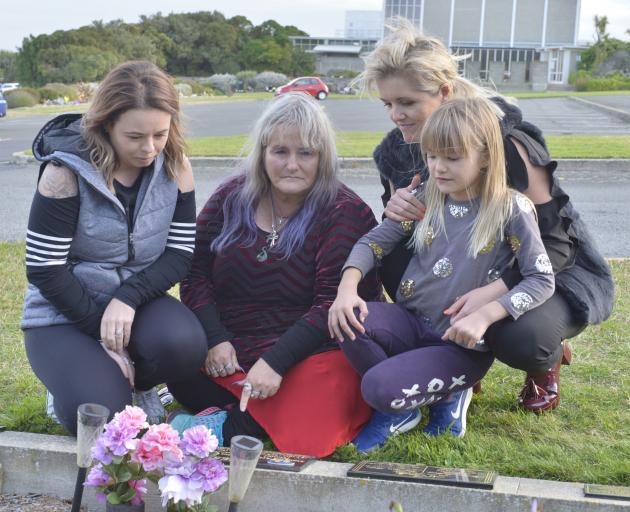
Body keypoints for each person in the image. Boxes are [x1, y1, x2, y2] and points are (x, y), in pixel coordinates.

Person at [358, 21, 613, 415]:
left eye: (407, 103)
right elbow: (397, 235)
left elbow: (558, 245)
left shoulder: (506, 141)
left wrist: (495, 292)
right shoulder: (397, 151)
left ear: (444, 92)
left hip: (546, 269)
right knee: (391, 257)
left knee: (521, 338)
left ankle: (545, 361)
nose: (396, 115)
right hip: (462, 262)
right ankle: (443, 354)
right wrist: (397, 212)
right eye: (387, 104)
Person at [329, 97, 556, 452]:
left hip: (460, 344)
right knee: (346, 321)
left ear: (483, 156)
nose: (438, 168)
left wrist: (485, 315)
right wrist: (347, 288)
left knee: (376, 387)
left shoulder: (511, 208)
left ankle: (449, 395)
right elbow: (373, 242)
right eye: (432, 156)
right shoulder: (426, 195)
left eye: (452, 158)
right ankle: (402, 410)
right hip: (412, 322)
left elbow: (541, 278)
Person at [167, 92, 380, 457]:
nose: (292, 164)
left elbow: (330, 302)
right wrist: (215, 339)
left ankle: (226, 425)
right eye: (280, 151)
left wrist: (275, 363)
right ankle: (241, 413)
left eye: (306, 153)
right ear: (263, 153)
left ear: (322, 158)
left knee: (317, 418)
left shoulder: (345, 211)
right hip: (234, 347)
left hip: (312, 352)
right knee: (179, 360)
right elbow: (195, 270)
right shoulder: (231, 197)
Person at [21, 61, 208, 434]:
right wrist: (103, 335)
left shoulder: (175, 165)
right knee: (100, 415)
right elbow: (45, 267)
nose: (150, 148)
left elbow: (179, 253)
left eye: (160, 134)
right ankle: (70, 385)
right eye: (135, 136)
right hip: (63, 314)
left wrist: (127, 298)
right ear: (107, 125)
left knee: (185, 345)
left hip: (134, 303)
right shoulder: (65, 174)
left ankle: (138, 385)